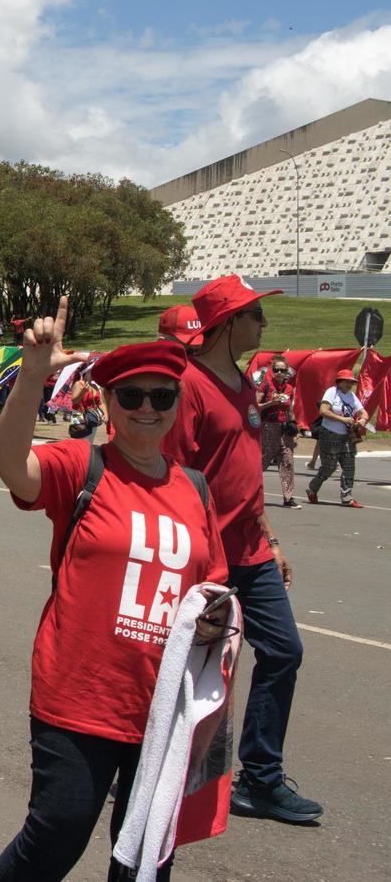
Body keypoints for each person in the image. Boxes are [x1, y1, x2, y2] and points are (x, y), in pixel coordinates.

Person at [0, 313, 230, 881]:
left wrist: (219, 617)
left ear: (176, 401)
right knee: (56, 834)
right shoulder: (82, 466)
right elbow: (8, 465)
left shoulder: (194, 488)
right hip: (80, 697)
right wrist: (31, 377)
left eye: (162, 395)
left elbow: (211, 585)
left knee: (146, 855)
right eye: (131, 395)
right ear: (108, 402)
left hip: (164, 707)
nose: (148, 407)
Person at [161, 274, 321, 823]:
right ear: (229, 323)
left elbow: (244, 477)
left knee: (284, 651)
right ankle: (147, 764)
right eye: (256, 315)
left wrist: (271, 539)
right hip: (207, 557)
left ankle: (261, 779)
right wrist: (196, 557)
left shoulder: (243, 384)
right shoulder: (188, 386)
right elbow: (174, 480)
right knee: (186, 666)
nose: (265, 324)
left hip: (252, 551)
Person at [307, 368, 368, 508]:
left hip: (347, 436)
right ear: (339, 382)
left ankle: (347, 497)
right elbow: (323, 411)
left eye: (351, 382)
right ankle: (312, 488)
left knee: (349, 466)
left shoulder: (352, 396)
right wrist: (343, 419)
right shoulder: (332, 392)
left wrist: (363, 420)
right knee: (329, 467)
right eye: (346, 381)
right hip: (330, 434)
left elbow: (363, 412)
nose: (349, 384)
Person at [257, 355, 300, 508]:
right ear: (272, 371)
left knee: (287, 461)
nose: (280, 373)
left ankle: (288, 497)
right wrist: (271, 403)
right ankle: (250, 491)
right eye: (277, 370)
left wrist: (294, 427)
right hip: (269, 426)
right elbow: (256, 406)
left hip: (284, 428)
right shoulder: (265, 386)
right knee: (262, 460)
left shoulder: (289, 389)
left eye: (283, 370)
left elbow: (290, 409)